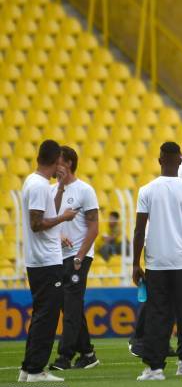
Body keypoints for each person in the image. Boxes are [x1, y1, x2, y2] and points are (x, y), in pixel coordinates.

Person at [132, 142, 182, 381]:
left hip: (156, 263)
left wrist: (136, 264)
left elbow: (139, 230)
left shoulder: (146, 190)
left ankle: (154, 368)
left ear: (159, 160)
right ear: (179, 161)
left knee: (158, 315)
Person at [19, 139, 77, 382]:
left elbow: (44, 214)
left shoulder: (35, 183)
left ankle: (28, 368)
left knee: (42, 314)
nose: (60, 169)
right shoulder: (40, 186)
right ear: (54, 161)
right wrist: (63, 218)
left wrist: (61, 188)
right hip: (45, 261)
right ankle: (35, 371)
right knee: (48, 316)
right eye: (60, 164)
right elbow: (36, 224)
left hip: (39, 259)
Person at [48, 146, 100, 370]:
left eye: (57, 160)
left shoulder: (85, 190)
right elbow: (50, 223)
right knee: (69, 306)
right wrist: (58, 235)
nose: (53, 164)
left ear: (68, 163)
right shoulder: (51, 191)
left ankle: (64, 357)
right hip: (58, 257)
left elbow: (94, 226)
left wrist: (80, 257)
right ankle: (88, 353)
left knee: (70, 306)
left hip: (79, 256)